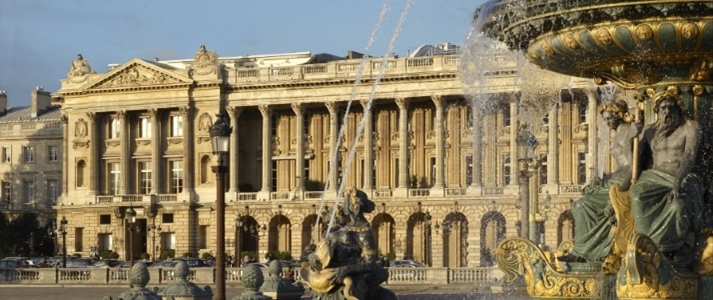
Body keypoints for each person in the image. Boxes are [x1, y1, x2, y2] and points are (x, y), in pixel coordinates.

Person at [630, 91, 703, 261]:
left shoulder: (691, 127)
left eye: (671, 107)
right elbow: (632, 159)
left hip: (681, 175)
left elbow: (689, 156)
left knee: (678, 205)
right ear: (656, 110)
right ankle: (646, 244)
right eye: (663, 107)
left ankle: (673, 248)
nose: (667, 111)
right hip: (654, 177)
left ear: (678, 108)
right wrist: (631, 136)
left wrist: (678, 180)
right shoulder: (649, 131)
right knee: (637, 196)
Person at [563, 100, 639, 263]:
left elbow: (633, 166)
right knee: (580, 203)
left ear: (619, 115)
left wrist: (619, 192)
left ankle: (584, 252)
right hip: (614, 179)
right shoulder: (619, 132)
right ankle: (586, 249)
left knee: (583, 205)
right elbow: (620, 166)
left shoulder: (629, 131)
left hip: (623, 182)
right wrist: (602, 181)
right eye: (605, 119)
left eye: (610, 118)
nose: (608, 122)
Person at [303, 188, 397, 300]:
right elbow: (323, 248)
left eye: (348, 202)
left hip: (346, 278)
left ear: (356, 206)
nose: (345, 205)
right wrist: (312, 256)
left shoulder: (365, 231)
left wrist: (345, 270)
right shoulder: (345, 227)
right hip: (327, 275)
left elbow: (370, 264)